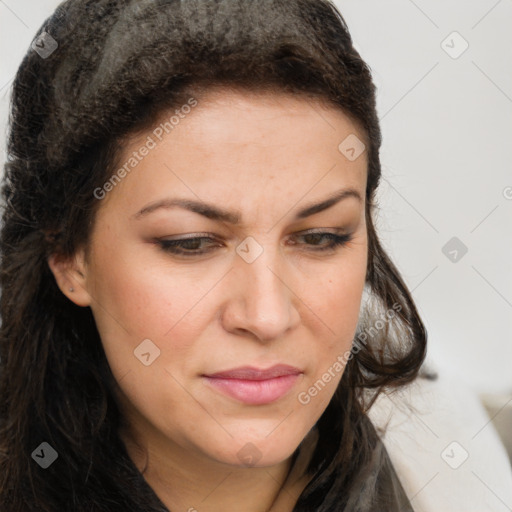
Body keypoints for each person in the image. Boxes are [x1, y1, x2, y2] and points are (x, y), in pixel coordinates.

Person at [0, 1, 430, 510]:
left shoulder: (470, 473)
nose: (267, 316)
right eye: (191, 243)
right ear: (70, 257)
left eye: (320, 236)